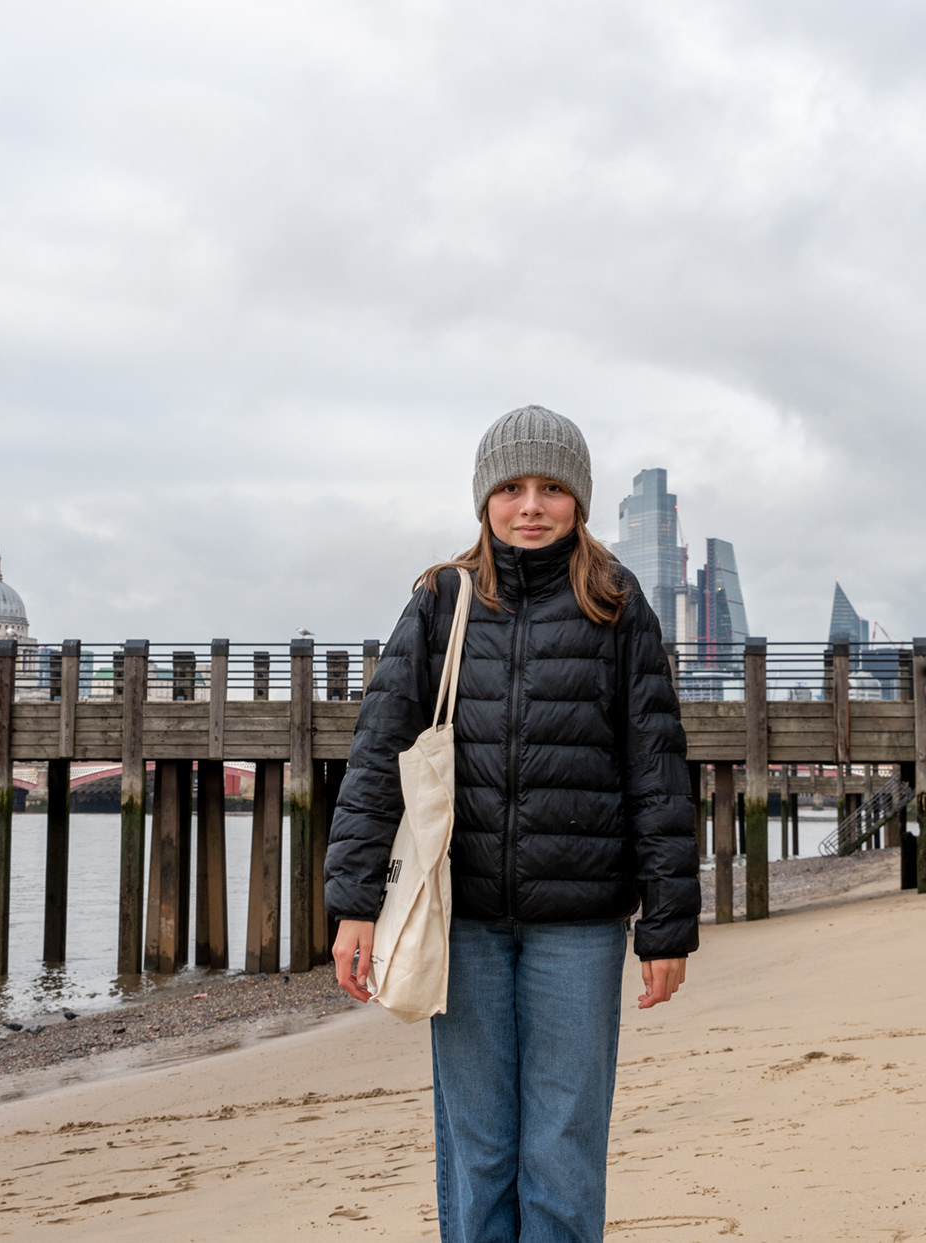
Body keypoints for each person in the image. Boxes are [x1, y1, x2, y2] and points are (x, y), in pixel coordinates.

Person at [325, 405, 699, 1243]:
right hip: (462, 922)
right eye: (512, 488)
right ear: (484, 498)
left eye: (552, 488)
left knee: (564, 1152)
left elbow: (658, 770)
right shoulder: (441, 601)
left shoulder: (616, 603)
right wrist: (354, 903)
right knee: (480, 1151)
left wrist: (668, 924)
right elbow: (377, 755)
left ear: (580, 499)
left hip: (583, 926)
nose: (531, 506)